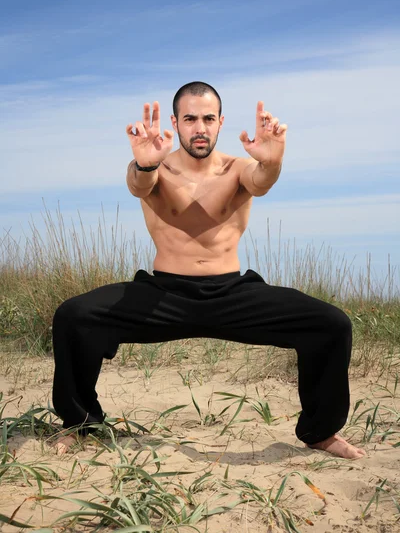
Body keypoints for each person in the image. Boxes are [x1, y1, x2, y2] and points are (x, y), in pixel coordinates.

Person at [51, 81, 366, 459]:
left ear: (220, 123)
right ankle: (81, 422)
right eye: (190, 118)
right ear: (175, 122)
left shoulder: (239, 168)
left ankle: (320, 432)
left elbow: (261, 182)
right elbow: (139, 184)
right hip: (163, 295)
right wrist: (146, 162)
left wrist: (273, 161)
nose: (199, 127)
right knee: (75, 316)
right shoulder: (153, 165)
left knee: (331, 324)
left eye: (208, 118)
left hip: (231, 294)